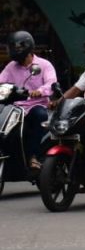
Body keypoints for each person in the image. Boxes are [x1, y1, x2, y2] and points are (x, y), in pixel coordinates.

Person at [0, 31, 57, 170]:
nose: (14, 50)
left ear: (27, 46)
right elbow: (1, 81)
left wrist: (40, 91)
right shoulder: (11, 66)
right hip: (15, 107)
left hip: (36, 105)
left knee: (40, 115)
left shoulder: (44, 65)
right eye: (12, 47)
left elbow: (51, 83)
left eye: (17, 47)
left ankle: (34, 156)